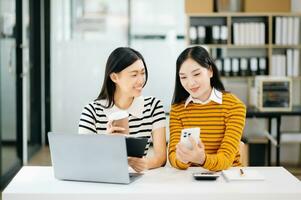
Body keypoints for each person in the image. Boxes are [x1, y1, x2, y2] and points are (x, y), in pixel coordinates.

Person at [79, 47, 167, 172]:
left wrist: (144, 164)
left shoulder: (153, 106)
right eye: (134, 75)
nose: (141, 80)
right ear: (115, 77)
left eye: (142, 73)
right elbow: (84, 159)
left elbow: (161, 157)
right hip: (103, 181)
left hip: (137, 183)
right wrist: (106, 143)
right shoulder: (91, 112)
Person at [168, 46, 246, 171]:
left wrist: (202, 159)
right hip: (191, 178)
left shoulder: (234, 106)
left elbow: (225, 159)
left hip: (226, 176)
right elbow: (172, 155)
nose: (190, 83)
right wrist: (182, 160)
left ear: (210, 71)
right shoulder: (178, 109)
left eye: (196, 74)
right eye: (183, 77)